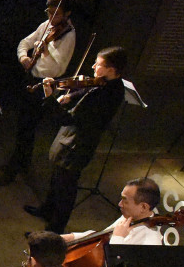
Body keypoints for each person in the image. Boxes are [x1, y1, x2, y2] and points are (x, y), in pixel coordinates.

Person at [23, 46, 127, 234]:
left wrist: (50, 97)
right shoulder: (105, 83)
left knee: (65, 189)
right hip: (72, 140)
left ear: (111, 70)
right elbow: (86, 90)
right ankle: (47, 210)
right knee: (56, 179)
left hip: (76, 146)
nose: (93, 66)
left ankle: (54, 230)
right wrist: (70, 95)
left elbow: (67, 118)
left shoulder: (106, 94)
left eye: (98, 64)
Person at [0, 0, 77, 187]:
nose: (51, 17)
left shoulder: (69, 35)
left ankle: (14, 168)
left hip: (45, 85)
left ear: (67, 14)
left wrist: (47, 47)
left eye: (56, 14)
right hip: (31, 79)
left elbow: (61, 65)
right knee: (23, 126)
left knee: (28, 127)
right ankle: (21, 162)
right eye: (49, 12)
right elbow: (24, 43)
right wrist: (24, 57)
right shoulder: (46, 26)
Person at [63, 177, 162, 267]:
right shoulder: (131, 217)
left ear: (143, 207)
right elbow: (102, 237)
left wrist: (118, 238)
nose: (120, 204)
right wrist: (71, 237)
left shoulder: (149, 243)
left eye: (125, 200)